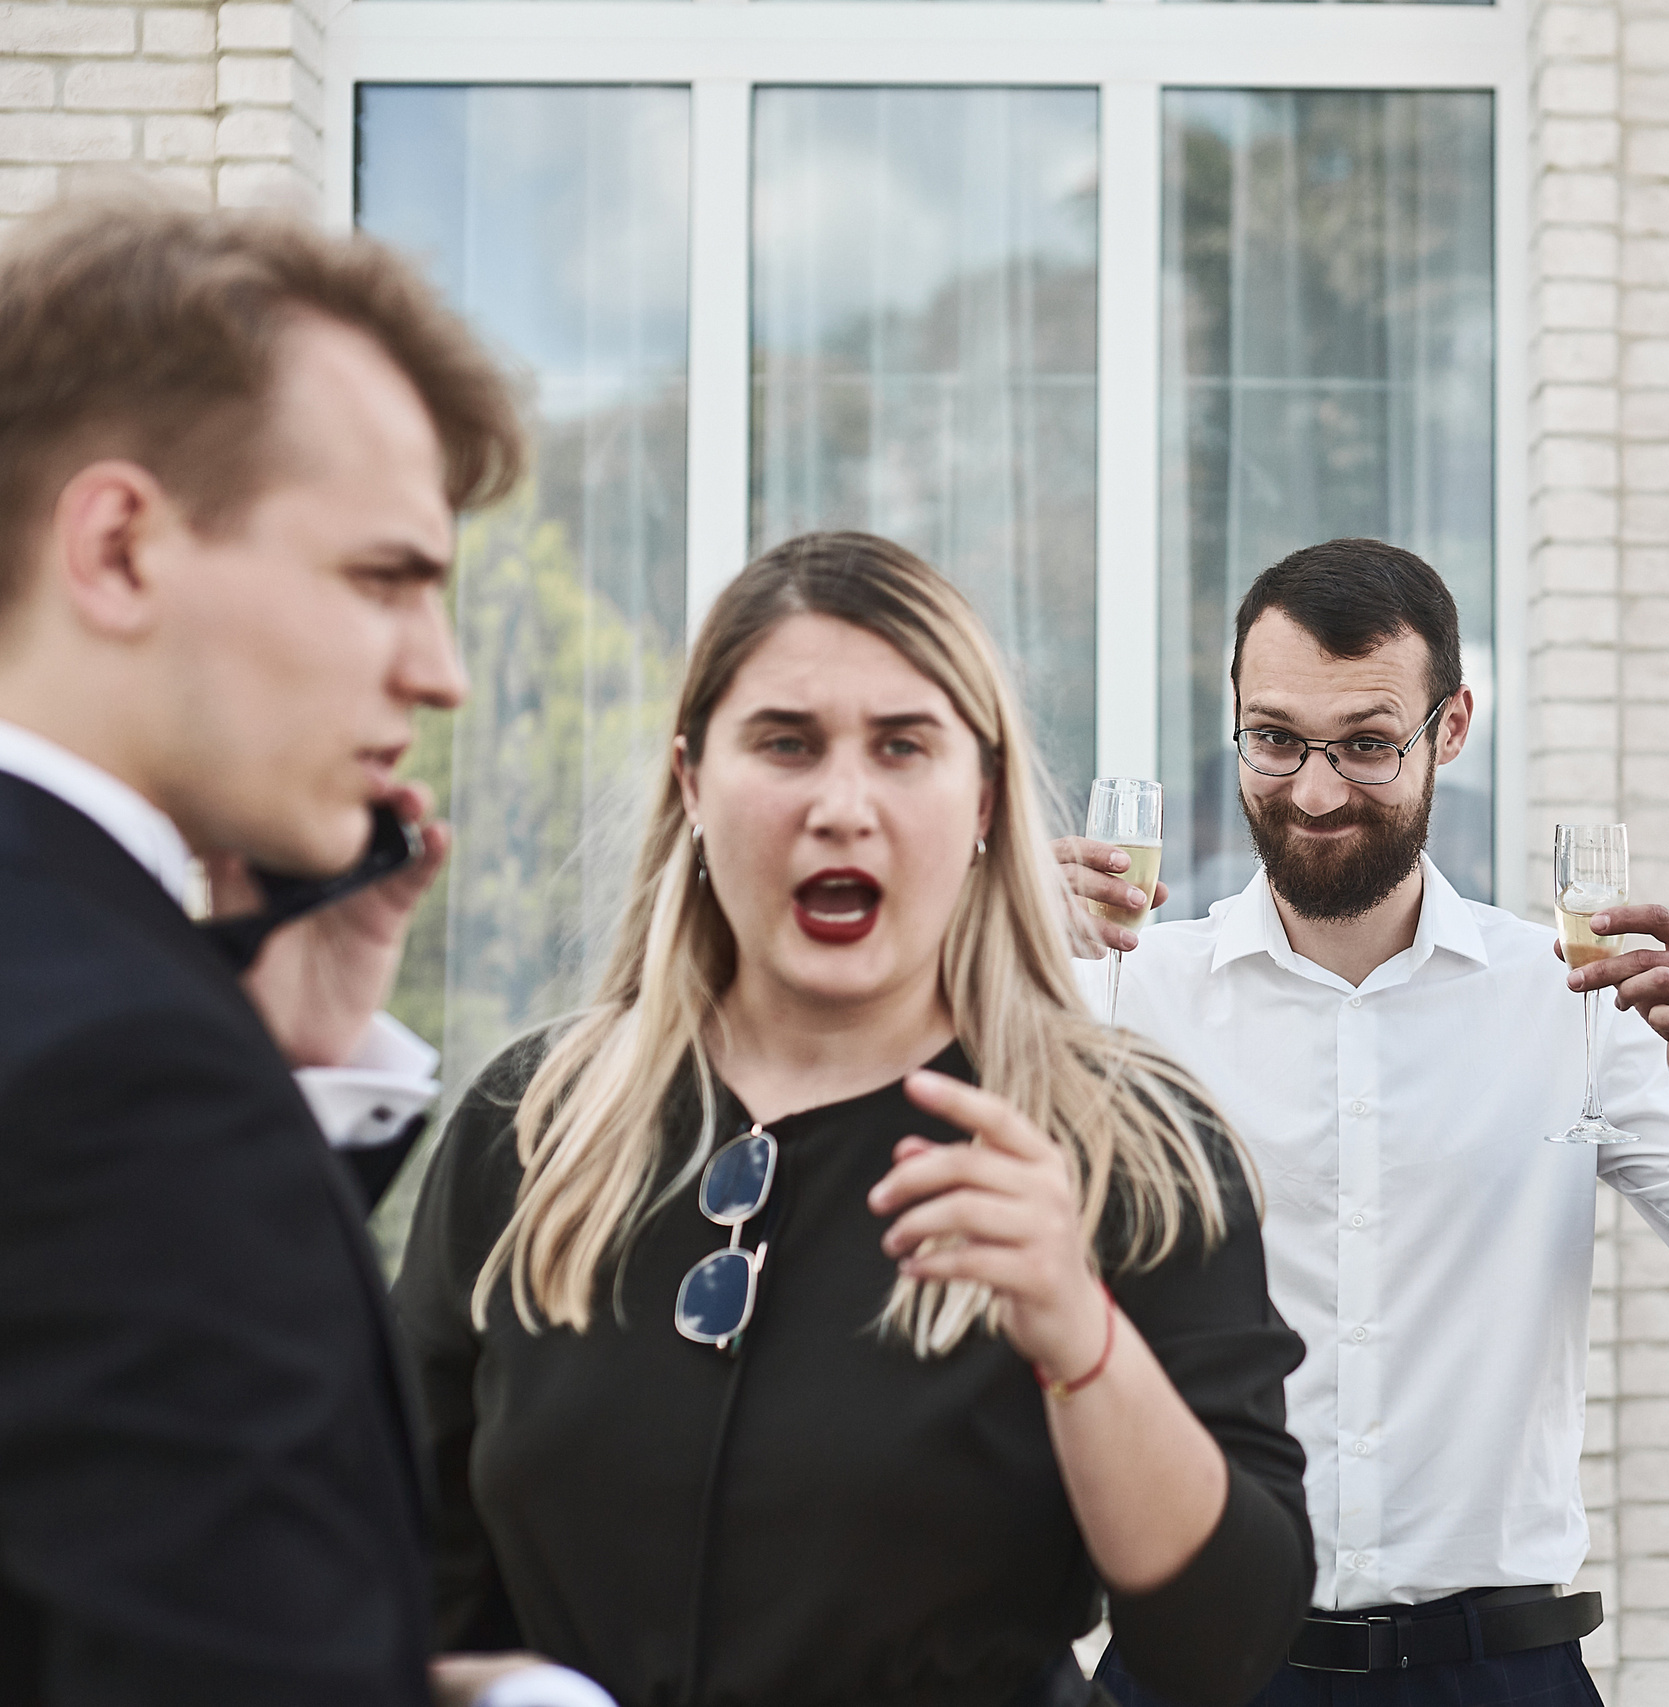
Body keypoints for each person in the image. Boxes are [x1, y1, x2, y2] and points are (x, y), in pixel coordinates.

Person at [395, 532, 1313, 1707]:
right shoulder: (535, 1124)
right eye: (784, 743)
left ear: (982, 795)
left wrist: (1079, 1335)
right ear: (689, 782)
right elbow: (398, 1577)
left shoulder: (1121, 1142)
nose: (842, 806)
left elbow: (1219, 1645)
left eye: (901, 748)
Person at [1056, 537, 1669, 1707]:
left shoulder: (1574, 999)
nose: (1316, 791)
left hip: (1497, 1672)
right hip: (1192, 1669)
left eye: (1367, 745)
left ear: (1453, 729)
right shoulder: (1121, 994)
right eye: (1275, 740)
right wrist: (987, 958)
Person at [0, 195, 551, 1703]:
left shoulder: (120, 1017)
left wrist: (274, 1062)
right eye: (385, 576)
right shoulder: (124, 1074)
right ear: (118, 547)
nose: (437, 671)